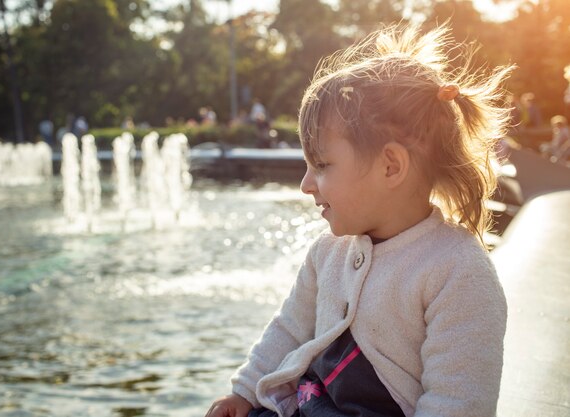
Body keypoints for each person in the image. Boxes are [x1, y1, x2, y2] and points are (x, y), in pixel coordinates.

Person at [205, 24, 510, 417]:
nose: (305, 185)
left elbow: (458, 401)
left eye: (321, 165)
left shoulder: (457, 271)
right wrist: (244, 393)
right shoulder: (327, 252)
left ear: (390, 166)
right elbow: (288, 329)